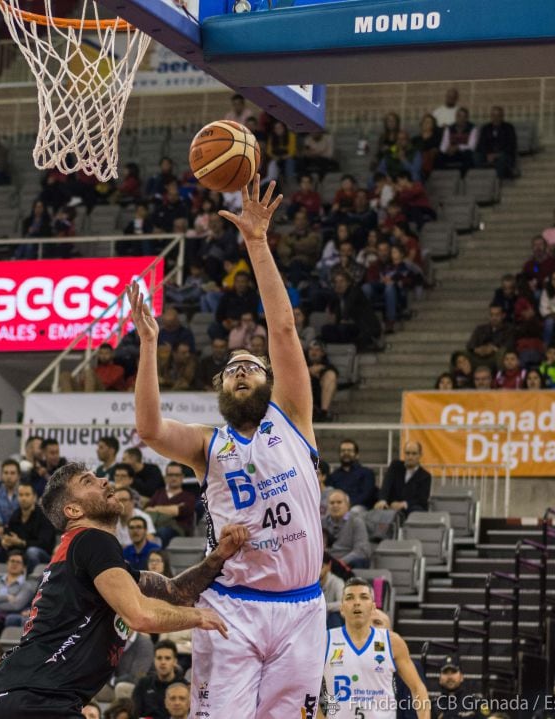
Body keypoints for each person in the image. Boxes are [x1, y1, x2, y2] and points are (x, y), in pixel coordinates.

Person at [128, 174, 325, 719]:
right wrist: (149, 346)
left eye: (251, 368)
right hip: (231, 606)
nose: (242, 371)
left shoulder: (294, 419)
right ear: (219, 389)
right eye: (232, 369)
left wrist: (257, 244)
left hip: (302, 608)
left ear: (268, 382)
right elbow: (148, 430)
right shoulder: (206, 445)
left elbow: (282, 330)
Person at [0, 464, 246, 718]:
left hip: (14, 699)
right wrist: (197, 617)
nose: (104, 481)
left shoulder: (87, 558)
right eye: (88, 481)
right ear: (73, 511)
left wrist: (218, 556)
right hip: (35, 700)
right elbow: (140, 616)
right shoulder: (92, 540)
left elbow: (175, 591)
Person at [319, 578, 430, 719]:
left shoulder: (392, 642)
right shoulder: (324, 641)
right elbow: (306, 692)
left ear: (372, 607)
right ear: (341, 608)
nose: (357, 602)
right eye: (349, 598)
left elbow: (418, 689)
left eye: (364, 597)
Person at [0, 483, 55, 568]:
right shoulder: (15, 514)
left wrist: (21, 543)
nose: (23, 498)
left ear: (34, 497)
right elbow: (9, 534)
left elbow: (45, 544)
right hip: (17, 552)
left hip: (41, 553)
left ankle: (31, 580)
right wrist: (5, 541)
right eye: (21, 495)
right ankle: (1, 580)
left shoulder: (44, 516)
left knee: (32, 552)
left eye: (27, 495)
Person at [375, 442, 432, 517]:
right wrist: (383, 500)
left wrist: (404, 504)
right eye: (407, 453)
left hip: (410, 508)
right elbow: (386, 485)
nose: (410, 457)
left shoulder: (426, 476)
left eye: (414, 454)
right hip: (391, 505)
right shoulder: (395, 466)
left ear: (420, 455)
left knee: (416, 510)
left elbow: (422, 499)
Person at [132, 640, 186, 719]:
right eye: (159, 658)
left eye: (167, 658)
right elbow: (135, 713)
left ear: (175, 661)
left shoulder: (184, 687)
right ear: (154, 661)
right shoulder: (143, 684)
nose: (163, 662)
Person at [323, 490, 371, 569]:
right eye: (332, 503)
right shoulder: (321, 523)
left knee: (360, 561)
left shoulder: (356, 522)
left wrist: (340, 562)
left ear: (347, 505)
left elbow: (361, 550)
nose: (335, 505)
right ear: (327, 506)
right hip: (325, 563)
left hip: (348, 562)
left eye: (339, 502)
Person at [328, 439, 377, 510]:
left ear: (357, 455)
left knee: (354, 511)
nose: (346, 453)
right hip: (337, 507)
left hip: (359, 508)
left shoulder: (367, 473)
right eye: (343, 451)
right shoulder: (334, 475)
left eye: (349, 451)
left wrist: (348, 505)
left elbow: (366, 495)